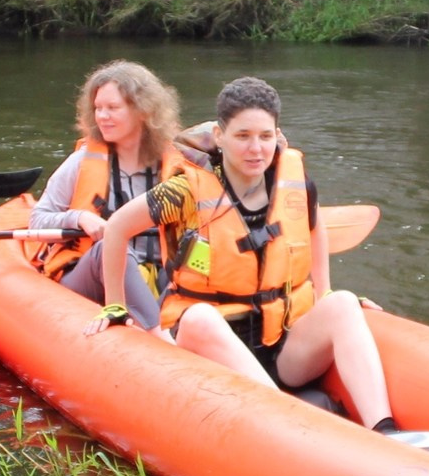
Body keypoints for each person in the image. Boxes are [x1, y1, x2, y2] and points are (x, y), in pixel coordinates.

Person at [93, 76, 395, 431]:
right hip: (208, 346)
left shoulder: (294, 183)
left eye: (265, 137)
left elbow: (314, 226)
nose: (256, 149)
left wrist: (323, 290)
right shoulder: (183, 192)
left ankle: (386, 431)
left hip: (278, 345)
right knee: (199, 317)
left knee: (343, 302)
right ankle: (291, 422)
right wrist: (116, 304)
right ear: (220, 137)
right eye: (243, 136)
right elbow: (116, 229)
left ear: (277, 136)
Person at [27, 61, 188, 329]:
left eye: (113, 108)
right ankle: (158, 336)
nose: (102, 116)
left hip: (155, 275)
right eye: (98, 108)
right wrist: (78, 218)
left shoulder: (177, 166)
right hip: (89, 277)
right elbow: (38, 221)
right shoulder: (81, 162)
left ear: (143, 111)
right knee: (110, 247)